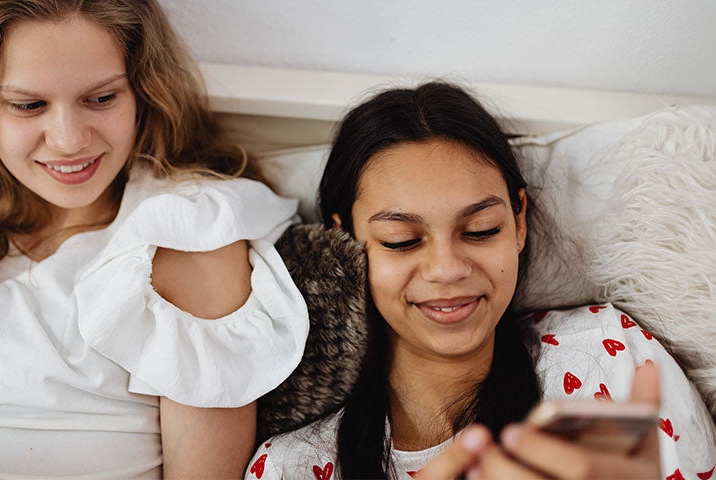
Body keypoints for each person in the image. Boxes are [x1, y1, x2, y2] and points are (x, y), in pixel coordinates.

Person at [0, 0, 308, 478]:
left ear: (141, 92)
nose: (69, 139)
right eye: (28, 105)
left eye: (101, 99)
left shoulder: (185, 235)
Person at [245, 82, 716, 479]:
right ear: (345, 240)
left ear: (519, 223)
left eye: (480, 231)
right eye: (402, 239)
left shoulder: (609, 362)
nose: (448, 268)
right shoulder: (292, 466)